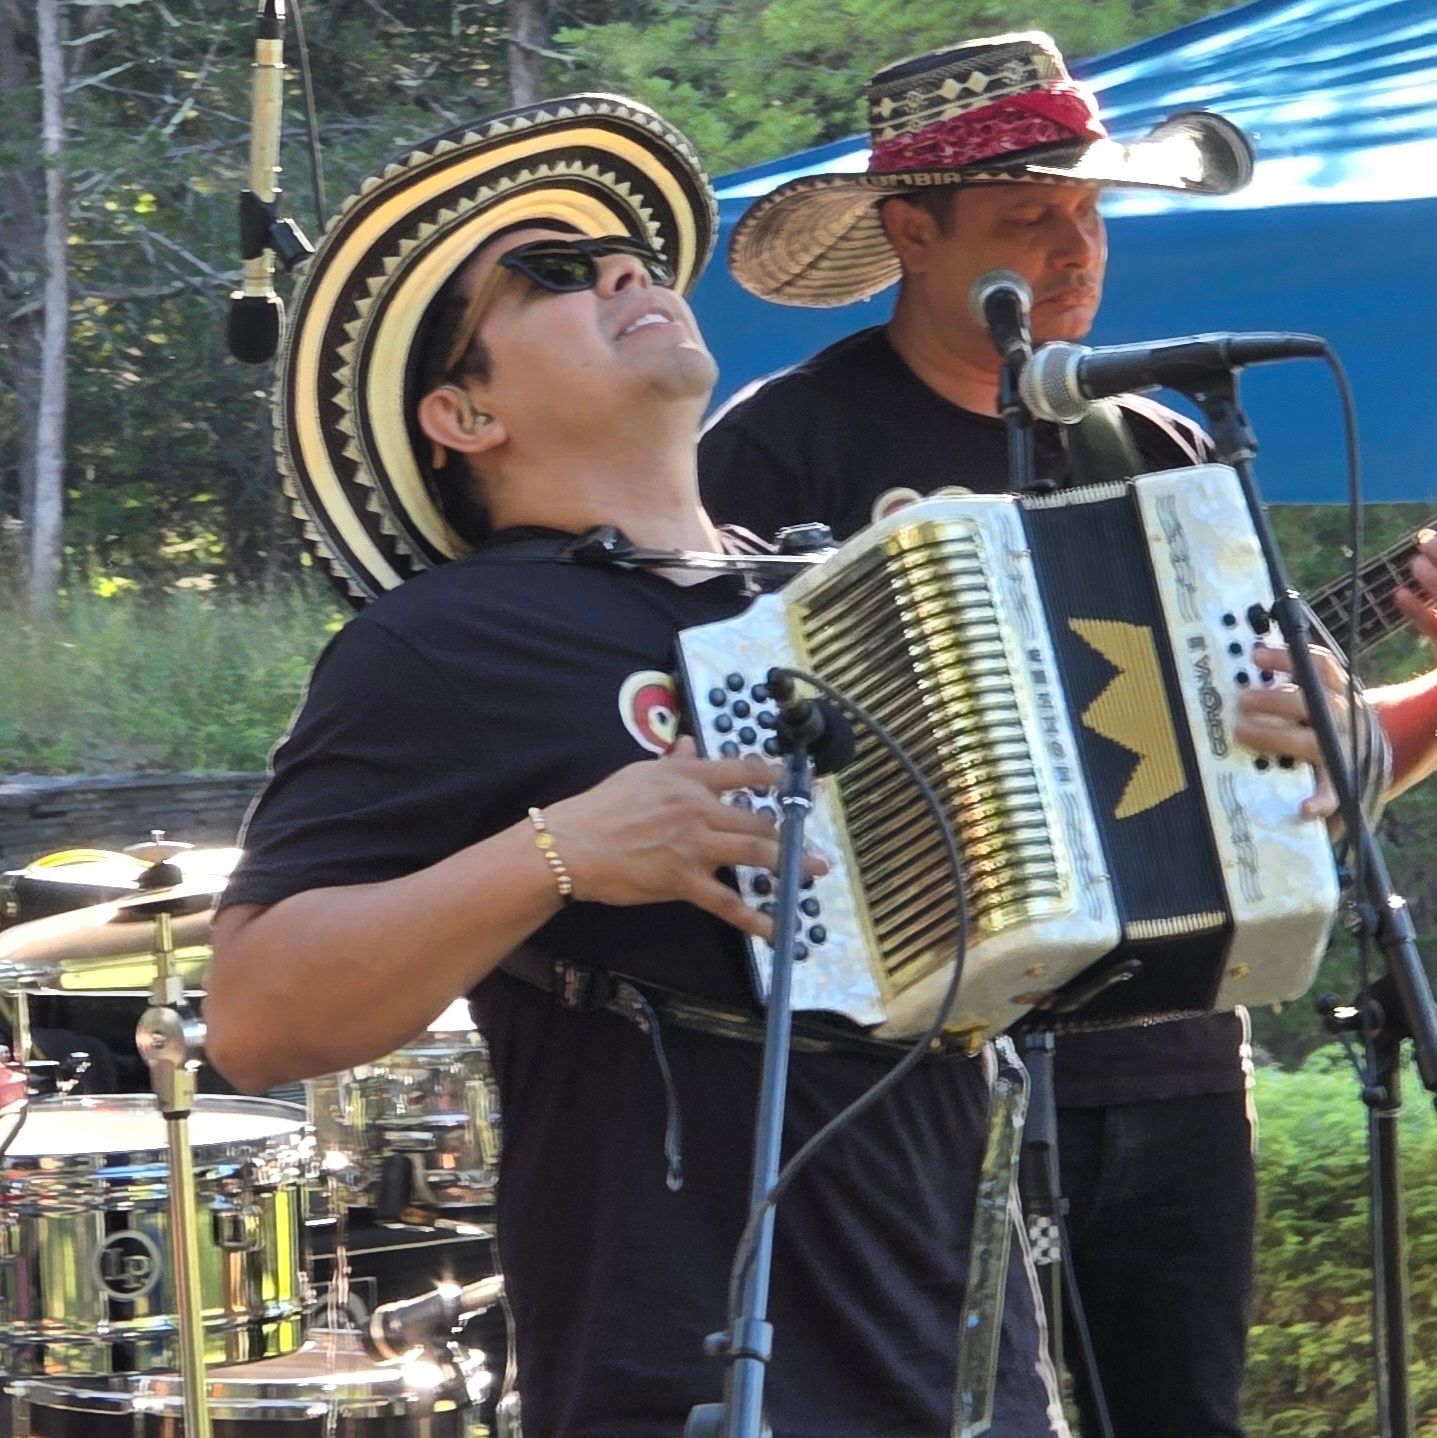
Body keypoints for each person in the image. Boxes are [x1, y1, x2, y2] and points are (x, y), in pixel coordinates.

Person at [205, 95, 1069, 1438]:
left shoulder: (838, 599)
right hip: (681, 1379)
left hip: (968, 1364)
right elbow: (258, 1010)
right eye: (551, 272)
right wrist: (562, 851)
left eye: (632, 253)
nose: (624, 268)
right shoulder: (442, 641)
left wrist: (1248, 755)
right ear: (462, 411)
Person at [697, 33, 1410, 1437]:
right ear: (909, 228)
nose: (1077, 247)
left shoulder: (1157, 441)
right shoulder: (774, 446)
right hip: (911, 1071)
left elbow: (1293, 760)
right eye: (1031, 217)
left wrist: (1335, 726)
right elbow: (736, 762)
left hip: (1178, 1056)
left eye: (1091, 211)